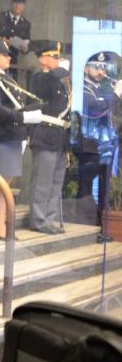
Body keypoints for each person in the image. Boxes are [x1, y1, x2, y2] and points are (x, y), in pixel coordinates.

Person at [0, 41, 43, 239]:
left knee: (5, 183)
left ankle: (2, 223)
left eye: (9, 55)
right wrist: (22, 118)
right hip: (1, 132)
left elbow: (17, 106)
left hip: (13, 133)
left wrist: (24, 129)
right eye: (4, 54)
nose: (9, 57)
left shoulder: (8, 79)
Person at [27, 41, 71, 235]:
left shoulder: (59, 82)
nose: (57, 60)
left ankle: (49, 218)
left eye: (58, 57)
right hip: (45, 133)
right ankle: (37, 219)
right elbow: (47, 85)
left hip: (60, 135)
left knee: (56, 182)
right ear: (42, 59)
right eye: (53, 57)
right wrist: (62, 70)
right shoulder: (40, 78)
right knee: (42, 181)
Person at [76, 52, 119, 243]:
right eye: (96, 67)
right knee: (86, 187)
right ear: (86, 69)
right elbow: (94, 108)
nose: (100, 72)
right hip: (89, 145)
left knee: (103, 188)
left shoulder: (104, 89)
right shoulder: (84, 88)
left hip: (105, 146)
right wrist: (115, 95)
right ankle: (84, 228)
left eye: (103, 68)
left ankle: (98, 228)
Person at [0, 0, 31, 70]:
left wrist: (24, 48)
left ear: (24, 6)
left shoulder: (26, 24)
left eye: (20, 3)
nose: (18, 6)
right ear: (11, 3)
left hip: (13, 62)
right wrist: (2, 40)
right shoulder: (1, 17)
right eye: (15, 2)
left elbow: (27, 44)